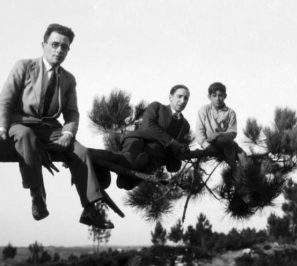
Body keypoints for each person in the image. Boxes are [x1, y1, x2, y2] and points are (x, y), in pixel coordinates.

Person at [0, 24, 113, 229]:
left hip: (50, 128)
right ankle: (37, 196)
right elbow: (5, 100)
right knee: (26, 135)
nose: (59, 50)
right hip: (20, 123)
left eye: (65, 47)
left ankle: (91, 208)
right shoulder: (24, 66)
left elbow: (71, 112)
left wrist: (68, 133)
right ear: (43, 45)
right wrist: (1, 127)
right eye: (55, 44)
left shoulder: (68, 79)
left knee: (80, 151)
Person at [117, 84, 191, 189]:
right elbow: (148, 126)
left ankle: (128, 181)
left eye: (186, 98)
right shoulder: (157, 107)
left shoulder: (185, 125)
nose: (183, 101)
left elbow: (175, 148)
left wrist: (182, 149)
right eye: (179, 96)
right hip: (137, 143)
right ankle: (126, 176)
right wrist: (171, 141)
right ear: (170, 97)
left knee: (128, 183)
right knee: (131, 159)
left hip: (155, 154)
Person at [195, 82, 244, 169]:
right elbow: (199, 132)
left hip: (225, 143)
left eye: (220, 95)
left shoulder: (230, 112)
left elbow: (233, 132)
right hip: (209, 144)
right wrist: (206, 145)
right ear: (209, 97)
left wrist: (219, 135)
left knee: (243, 157)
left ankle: (235, 173)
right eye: (214, 95)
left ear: (225, 96)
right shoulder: (204, 110)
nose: (217, 98)